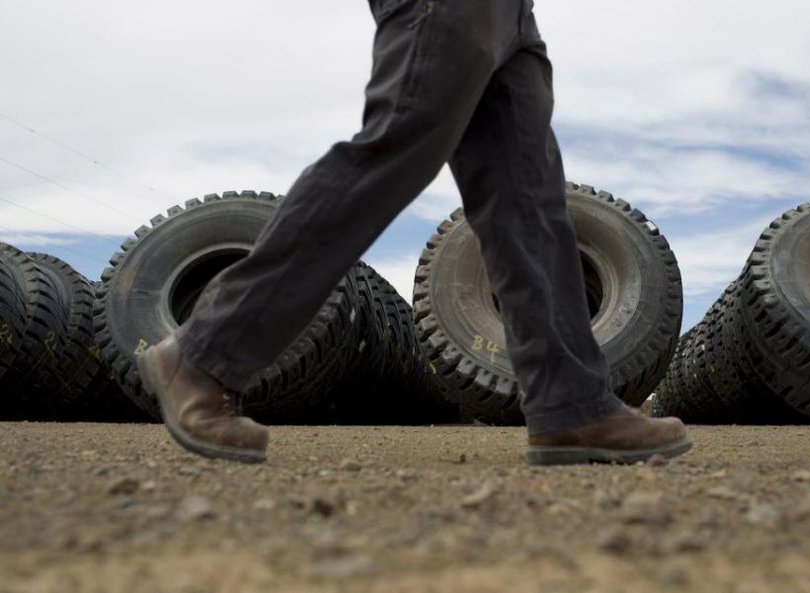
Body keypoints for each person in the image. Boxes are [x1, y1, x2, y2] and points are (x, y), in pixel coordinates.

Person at [138, 0, 692, 465]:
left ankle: (573, 407)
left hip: (516, 13)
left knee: (529, 203)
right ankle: (206, 353)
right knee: (397, 147)